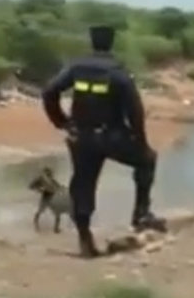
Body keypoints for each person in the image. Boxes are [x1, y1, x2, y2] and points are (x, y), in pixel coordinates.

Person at [42, 25, 166, 258]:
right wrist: (140, 140)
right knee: (147, 159)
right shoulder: (117, 71)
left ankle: (84, 238)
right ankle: (141, 214)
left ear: (92, 42)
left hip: (81, 137)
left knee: (83, 183)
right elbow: (135, 110)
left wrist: (61, 122)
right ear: (111, 42)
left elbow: (49, 91)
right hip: (112, 136)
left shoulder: (77, 67)